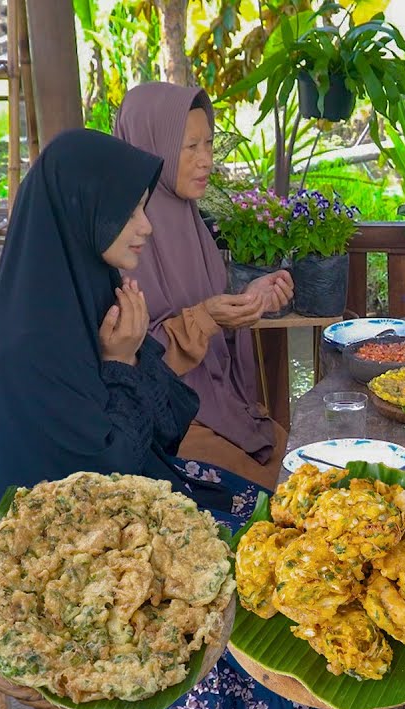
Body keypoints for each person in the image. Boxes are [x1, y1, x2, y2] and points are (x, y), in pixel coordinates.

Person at [0, 128, 317, 709]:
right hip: (65, 572)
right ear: (83, 212)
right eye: (129, 211)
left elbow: (161, 425)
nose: (147, 226)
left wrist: (136, 359)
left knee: (277, 537)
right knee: (250, 642)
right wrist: (122, 364)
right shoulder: (29, 348)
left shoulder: (92, 291)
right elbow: (99, 491)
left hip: (133, 500)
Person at [113, 82, 294, 489]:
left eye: (209, 144)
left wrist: (248, 299)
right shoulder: (120, 233)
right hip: (168, 424)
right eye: (190, 147)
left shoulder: (190, 220)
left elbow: (207, 311)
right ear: (149, 144)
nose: (206, 160)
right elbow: (129, 358)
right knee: (279, 497)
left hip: (217, 405)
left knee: (307, 466)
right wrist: (205, 318)